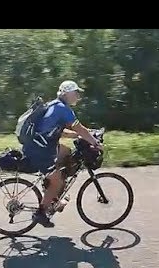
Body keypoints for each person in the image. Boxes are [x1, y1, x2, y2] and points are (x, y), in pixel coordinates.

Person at [22, 80, 103, 228]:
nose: (78, 96)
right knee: (58, 180)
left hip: (40, 145)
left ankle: (52, 192)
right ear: (67, 93)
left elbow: (60, 131)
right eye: (75, 93)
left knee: (67, 153)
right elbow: (79, 128)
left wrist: (78, 136)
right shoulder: (63, 109)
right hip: (41, 150)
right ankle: (41, 212)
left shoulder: (54, 105)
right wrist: (95, 143)